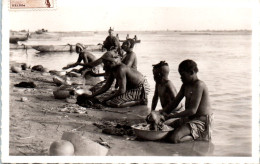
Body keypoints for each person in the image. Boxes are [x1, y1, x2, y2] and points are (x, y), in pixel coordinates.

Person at [156, 59, 213, 143]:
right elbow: (174, 103)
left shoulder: (199, 85)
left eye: (183, 75)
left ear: (191, 72)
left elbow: (192, 111)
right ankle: (190, 132)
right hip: (188, 119)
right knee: (163, 129)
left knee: (174, 138)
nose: (180, 77)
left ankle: (198, 136)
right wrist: (160, 113)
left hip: (200, 121)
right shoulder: (185, 85)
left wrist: (172, 116)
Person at [78, 51, 150, 108]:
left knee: (113, 103)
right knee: (105, 97)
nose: (104, 66)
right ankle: (135, 99)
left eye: (105, 63)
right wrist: (92, 96)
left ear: (110, 62)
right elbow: (106, 86)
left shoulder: (121, 69)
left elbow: (122, 90)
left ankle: (140, 101)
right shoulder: (114, 69)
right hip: (131, 88)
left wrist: (107, 99)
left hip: (141, 88)